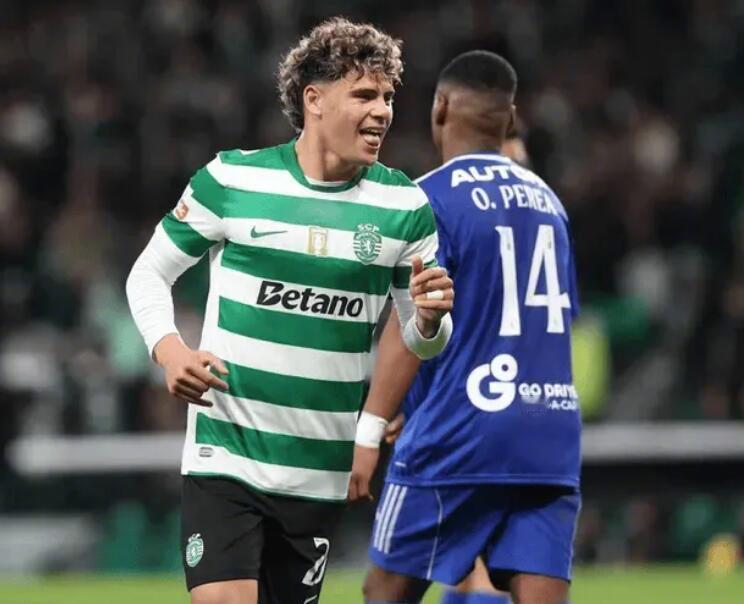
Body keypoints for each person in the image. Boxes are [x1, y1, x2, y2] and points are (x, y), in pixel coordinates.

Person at [126, 17, 454, 604]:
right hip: (227, 453)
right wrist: (169, 350)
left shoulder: (405, 206)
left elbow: (420, 336)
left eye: (387, 97)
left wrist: (431, 321)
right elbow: (149, 273)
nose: (382, 111)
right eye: (364, 95)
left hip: (319, 467)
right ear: (314, 99)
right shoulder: (232, 178)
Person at [350, 51, 582, 604]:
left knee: (384, 593)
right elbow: (547, 323)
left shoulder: (429, 197)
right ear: (510, 118)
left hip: (461, 431)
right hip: (548, 432)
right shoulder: (550, 204)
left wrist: (374, 424)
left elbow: (415, 320)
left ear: (440, 107)